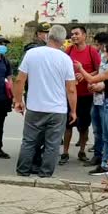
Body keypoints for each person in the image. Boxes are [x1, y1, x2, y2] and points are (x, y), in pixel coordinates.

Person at [13, 25, 77, 177]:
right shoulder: (65, 59)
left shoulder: (31, 54)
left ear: (49, 37)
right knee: (52, 144)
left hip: (35, 107)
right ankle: (45, 174)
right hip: (57, 111)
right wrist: (73, 110)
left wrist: (18, 101)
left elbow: (19, 80)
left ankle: (23, 171)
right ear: (63, 41)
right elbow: (71, 89)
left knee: (29, 141)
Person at [75, 42, 108, 175]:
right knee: (107, 138)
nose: (102, 54)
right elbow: (105, 85)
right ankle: (105, 166)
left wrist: (81, 69)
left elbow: (92, 79)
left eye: (104, 52)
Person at [60, 26, 101, 165]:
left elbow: (99, 70)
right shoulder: (69, 50)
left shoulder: (92, 51)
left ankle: (82, 151)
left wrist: (84, 75)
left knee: (83, 125)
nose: (74, 36)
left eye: (77, 34)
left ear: (84, 35)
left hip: (86, 95)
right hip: (70, 94)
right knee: (68, 124)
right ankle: (65, 152)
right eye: (72, 34)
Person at [23, 21, 52, 171]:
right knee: (36, 130)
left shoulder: (50, 49)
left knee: (43, 130)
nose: (46, 35)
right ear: (38, 34)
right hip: (35, 94)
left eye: (48, 33)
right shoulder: (33, 49)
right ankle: (33, 161)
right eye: (44, 33)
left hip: (44, 94)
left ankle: (36, 158)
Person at [85, 32, 108, 167]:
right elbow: (99, 73)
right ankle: (97, 155)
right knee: (97, 130)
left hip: (106, 101)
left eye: (97, 44)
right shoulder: (101, 57)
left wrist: (99, 87)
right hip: (96, 99)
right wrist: (92, 83)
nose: (96, 47)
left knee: (106, 131)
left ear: (103, 44)